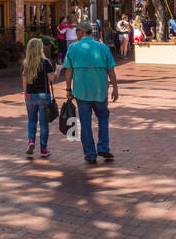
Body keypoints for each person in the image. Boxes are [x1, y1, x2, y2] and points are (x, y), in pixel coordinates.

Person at [64, 21, 120, 164]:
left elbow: (68, 71)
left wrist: (68, 89)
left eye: (77, 31)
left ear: (81, 32)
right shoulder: (103, 48)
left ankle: (90, 154)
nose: (76, 34)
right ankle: (103, 147)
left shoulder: (73, 48)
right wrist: (115, 87)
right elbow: (111, 71)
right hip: (100, 91)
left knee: (86, 122)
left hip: (81, 92)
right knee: (103, 118)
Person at [21, 37, 56, 159]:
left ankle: (31, 141)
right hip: (43, 95)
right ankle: (43, 149)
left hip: (30, 95)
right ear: (39, 49)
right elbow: (52, 79)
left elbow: (24, 82)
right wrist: (59, 71)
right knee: (43, 124)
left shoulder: (26, 63)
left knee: (31, 121)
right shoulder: (45, 62)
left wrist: (26, 95)